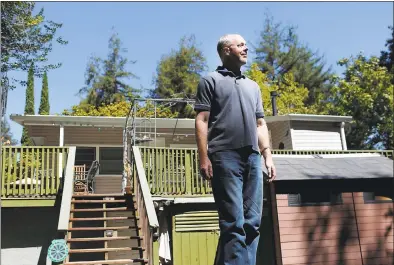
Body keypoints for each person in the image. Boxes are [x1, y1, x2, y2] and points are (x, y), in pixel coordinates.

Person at [194, 34, 276, 265]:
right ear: (226, 50)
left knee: (252, 222)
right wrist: (204, 157)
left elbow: (260, 124)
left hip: (252, 157)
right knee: (234, 222)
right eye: (240, 45)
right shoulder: (210, 80)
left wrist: (267, 155)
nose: (246, 48)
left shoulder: (253, 86)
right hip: (224, 156)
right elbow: (202, 119)